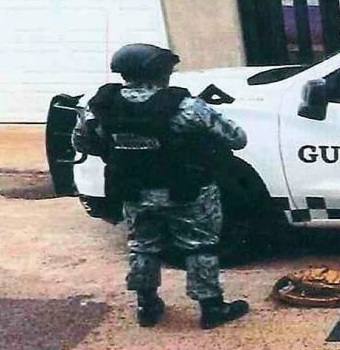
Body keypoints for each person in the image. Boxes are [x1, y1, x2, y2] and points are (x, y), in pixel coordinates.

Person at [72, 43, 251, 329]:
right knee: (200, 246)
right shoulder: (185, 106)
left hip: (133, 189)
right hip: (187, 190)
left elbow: (82, 143)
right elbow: (237, 138)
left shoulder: (100, 106)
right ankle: (212, 307)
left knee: (143, 246)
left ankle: (147, 306)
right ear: (162, 73)